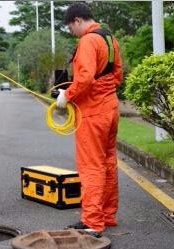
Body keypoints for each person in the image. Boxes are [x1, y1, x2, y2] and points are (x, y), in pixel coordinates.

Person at [56, 3, 122, 237]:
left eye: (70, 27)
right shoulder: (109, 39)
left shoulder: (87, 40)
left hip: (92, 112)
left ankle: (93, 221)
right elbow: (117, 74)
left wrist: (66, 95)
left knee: (91, 166)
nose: (72, 32)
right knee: (107, 163)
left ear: (76, 20)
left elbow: (84, 78)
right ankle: (107, 214)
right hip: (110, 108)